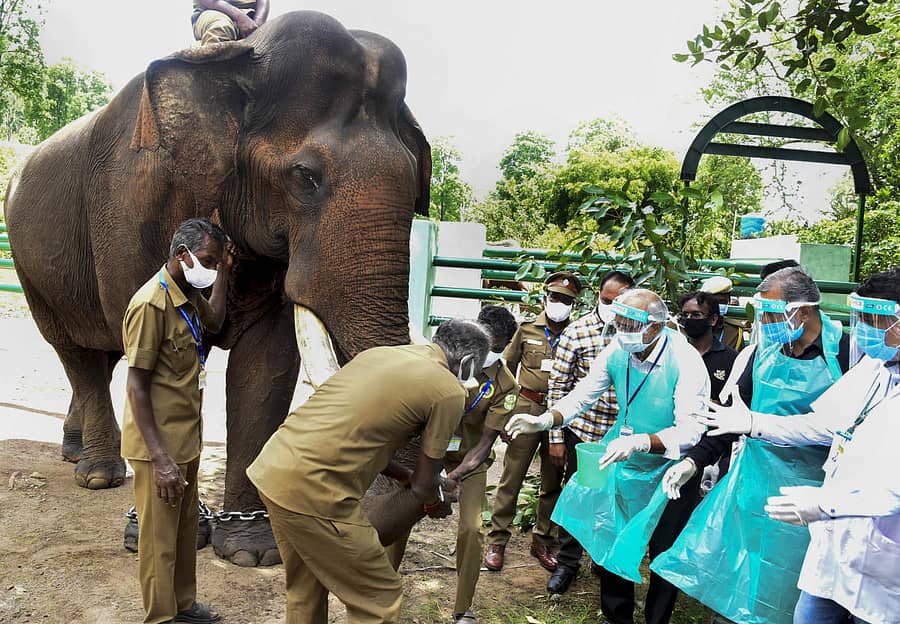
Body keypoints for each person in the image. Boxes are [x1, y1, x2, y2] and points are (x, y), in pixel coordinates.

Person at [246, 319, 490, 624]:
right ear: (467, 363)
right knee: (380, 598)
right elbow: (425, 485)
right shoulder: (449, 391)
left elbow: (358, 436)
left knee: (306, 586)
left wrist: (409, 477)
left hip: (274, 468)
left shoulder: (380, 354)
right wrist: (435, 501)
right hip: (314, 490)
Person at [698, 268, 900, 624]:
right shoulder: (876, 367)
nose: (866, 328)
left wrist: (825, 503)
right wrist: (753, 423)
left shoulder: (846, 352)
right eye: (863, 318)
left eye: (875, 320)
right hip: (832, 550)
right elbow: (822, 425)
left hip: (882, 566)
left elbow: (891, 490)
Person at [653, 266, 850, 624]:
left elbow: (839, 428)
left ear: (803, 311)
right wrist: (694, 462)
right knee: (739, 585)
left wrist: (755, 424)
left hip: (813, 498)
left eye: (773, 314)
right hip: (754, 488)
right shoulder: (761, 353)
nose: (766, 322)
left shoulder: (847, 356)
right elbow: (731, 419)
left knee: (797, 592)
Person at [505, 288, 710, 624]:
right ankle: (616, 617)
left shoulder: (685, 361)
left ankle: (657, 618)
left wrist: (643, 442)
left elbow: (691, 431)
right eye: (620, 322)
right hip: (624, 461)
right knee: (611, 537)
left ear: (655, 327)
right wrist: (545, 419)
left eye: (630, 324)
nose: (622, 331)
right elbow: (582, 396)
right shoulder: (619, 350)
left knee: (662, 550)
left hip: (673, 470)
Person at [121, 218, 233, 624]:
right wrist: (160, 458)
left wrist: (222, 274)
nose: (210, 267)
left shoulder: (186, 291)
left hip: (185, 438)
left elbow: (216, 323)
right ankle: (161, 617)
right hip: (159, 449)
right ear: (181, 255)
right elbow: (136, 385)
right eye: (207, 260)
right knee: (158, 541)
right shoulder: (151, 304)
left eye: (216, 262)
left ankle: (184, 606)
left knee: (185, 532)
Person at [483, 271, 581, 573]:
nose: (559, 303)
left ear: (573, 305)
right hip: (527, 406)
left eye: (566, 300)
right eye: (555, 298)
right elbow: (507, 368)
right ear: (545, 298)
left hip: (560, 414)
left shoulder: (578, 333)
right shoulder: (526, 329)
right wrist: (506, 412)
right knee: (512, 476)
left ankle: (543, 539)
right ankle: (497, 538)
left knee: (553, 480)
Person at [545, 270, 634, 595]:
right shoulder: (578, 332)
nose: (612, 308)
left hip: (626, 439)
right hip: (586, 433)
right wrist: (556, 438)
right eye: (607, 301)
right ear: (597, 296)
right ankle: (568, 562)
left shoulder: (638, 334)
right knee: (579, 497)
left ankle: (603, 560)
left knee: (616, 500)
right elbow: (559, 387)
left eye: (619, 302)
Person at [441, 306, 520, 624]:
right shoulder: (450, 358)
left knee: (473, 528)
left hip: (469, 460)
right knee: (401, 514)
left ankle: (463, 608)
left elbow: (487, 443)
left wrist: (454, 478)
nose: (492, 350)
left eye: (499, 346)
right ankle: (382, 585)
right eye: (488, 341)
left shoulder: (506, 386)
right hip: (424, 451)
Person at [679, 291, 738, 405]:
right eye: (685, 315)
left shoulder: (731, 359)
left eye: (696, 315)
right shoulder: (676, 353)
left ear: (713, 320)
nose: (689, 319)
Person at [192, 0, 270, 46]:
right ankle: (210, 70)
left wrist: (258, 24)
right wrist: (241, 18)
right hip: (213, 11)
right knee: (221, 28)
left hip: (250, 16)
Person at [700, 275, 746, 351]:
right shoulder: (691, 324)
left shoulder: (734, 330)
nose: (718, 306)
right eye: (715, 302)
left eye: (723, 302)